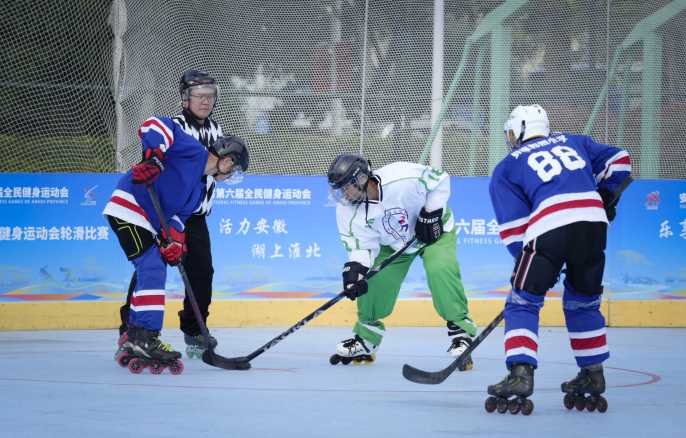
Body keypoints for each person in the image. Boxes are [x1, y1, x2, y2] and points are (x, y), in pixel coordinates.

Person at [485, 104, 631, 413]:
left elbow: (514, 229)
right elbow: (621, 161)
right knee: (583, 302)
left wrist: (525, 263)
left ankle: (520, 376)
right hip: (593, 226)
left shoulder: (506, 166)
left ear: (519, 131)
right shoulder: (575, 141)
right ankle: (593, 376)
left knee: (522, 301)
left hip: (549, 229)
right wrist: (604, 196)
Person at [103, 115, 248, 369]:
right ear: (226, 161)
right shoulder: (192, 150)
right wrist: (154, 155)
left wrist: (174, 244)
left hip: (145, 220)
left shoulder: (198, 190)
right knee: (151, 269)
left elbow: (177, 220)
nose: (231, 176)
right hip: (129, 208)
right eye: (234, 170)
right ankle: (147, 337)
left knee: (152, 266)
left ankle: (135, 336)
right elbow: (153, 124)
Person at [327, 154, 476, 368]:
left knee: (440, 268)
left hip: (434, 233)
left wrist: (431, 212)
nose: (342, 194)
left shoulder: (400, 175)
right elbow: (362, 247)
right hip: (395, 245)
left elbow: (440, 179)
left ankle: (461, 334)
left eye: (345, 187)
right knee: (372, 282)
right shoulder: (346, 211)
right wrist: (355, 272)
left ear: (360, 179)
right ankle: (367, 340)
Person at [117, 70, 226, 359]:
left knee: (202, 271)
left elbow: (210, 174)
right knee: (151, 266)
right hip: (162, 210)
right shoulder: (175, 125)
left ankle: (194, 328)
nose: (206, 102)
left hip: (193, 214)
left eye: (211, 96)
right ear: (184, 97)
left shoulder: (217, 131)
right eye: (199, 96)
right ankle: (130, 328)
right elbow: (155, 137)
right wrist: (153, 156)